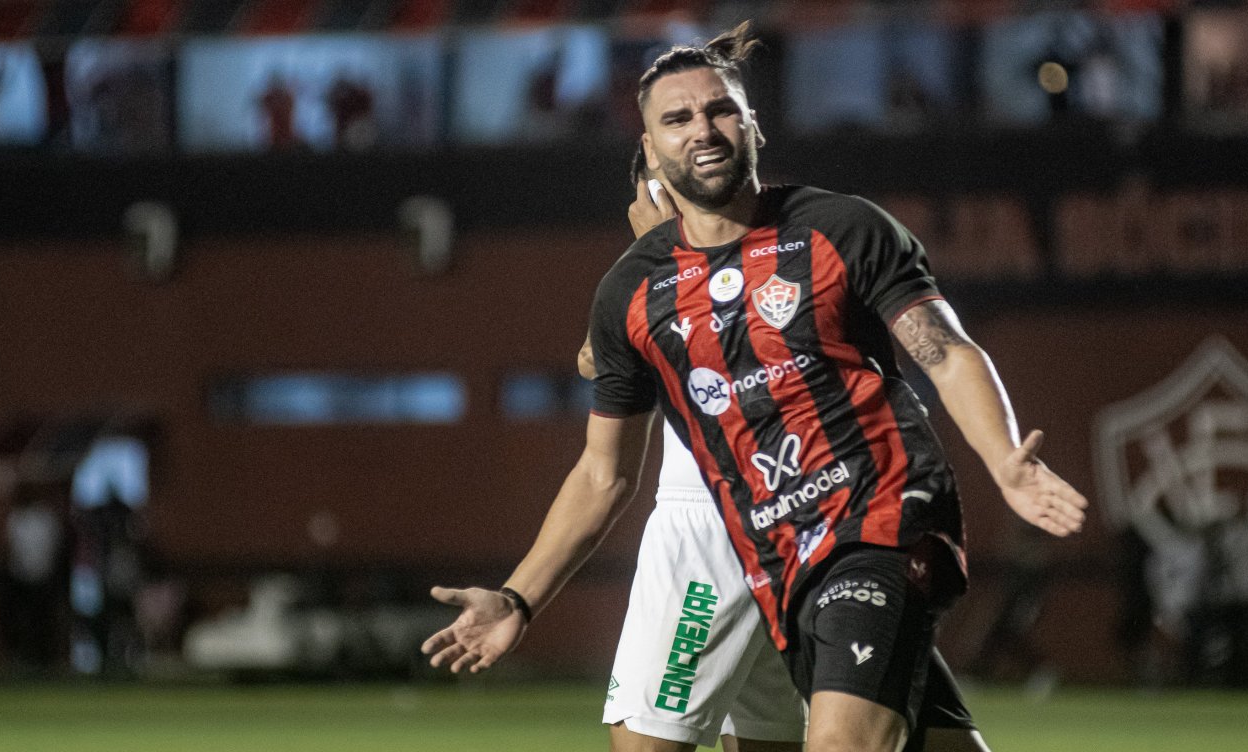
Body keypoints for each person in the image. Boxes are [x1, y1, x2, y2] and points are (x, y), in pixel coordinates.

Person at [422, 22, 1087, 752]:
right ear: (648, 149)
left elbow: (947, 351)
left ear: (754, 126)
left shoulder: (841, 227)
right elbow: (602, 472)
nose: (702, 130)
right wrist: (520, 596)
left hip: (882, 520)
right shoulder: (632, 293)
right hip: (774, 555)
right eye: (677, 119)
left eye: (720, 111)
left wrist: (1003, 461)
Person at [592, 154, 808, 752]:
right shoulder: (659, 274)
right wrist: (654, 260)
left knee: (646, 743)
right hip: (794, 517)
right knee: (770, 741)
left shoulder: (776, 254)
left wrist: (661, 253)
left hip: (714, 521)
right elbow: (600, 357)